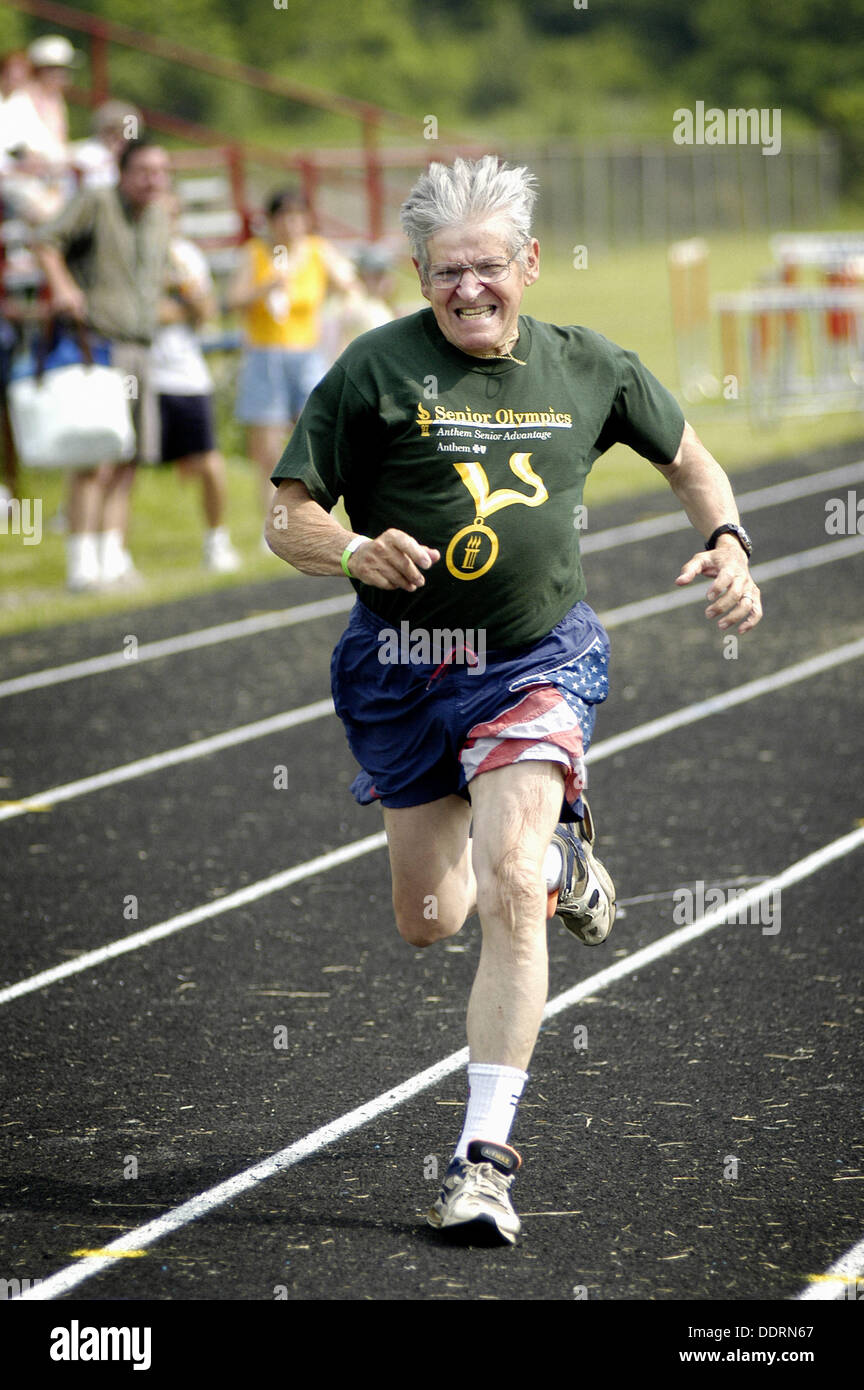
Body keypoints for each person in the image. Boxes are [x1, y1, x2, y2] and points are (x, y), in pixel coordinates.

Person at [264, 156, 763, 1245]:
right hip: (401, 673)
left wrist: (726, 539)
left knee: (503, 878)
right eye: (449, 272)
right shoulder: (373, 370)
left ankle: (482, 1159)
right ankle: (564, 865)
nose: (471, 289)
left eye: (490, 266)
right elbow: (284, 516)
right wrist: (351, 547)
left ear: (529, 264)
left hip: (534, 662)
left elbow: (693, 462)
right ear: (420, 274)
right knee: (427, 920)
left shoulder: (591, 366)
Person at [34, 138, 172, 590]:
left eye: (160, 171)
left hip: (142, 346)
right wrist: (64, 287)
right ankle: (82, 563)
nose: (154, 179)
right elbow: (45, 240)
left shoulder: (159, 215)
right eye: (145, 171)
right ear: (122, 172)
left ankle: (113, 556)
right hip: (99, 345)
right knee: (95, 458)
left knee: (129, 456)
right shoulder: (96, 200)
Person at [226, 188, 356, 523]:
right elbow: (232, 300)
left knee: (317, 437)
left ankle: (321, 517)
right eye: (284, 217)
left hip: (307, 352)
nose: (291, 224)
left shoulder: (317, 251)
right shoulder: (254, 253)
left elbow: (348, 284)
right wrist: (264, 288)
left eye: (298, 216)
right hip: (265, 354)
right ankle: (273, 523)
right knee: (267, 448)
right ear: (270, 221)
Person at [149, 193, 240, 573]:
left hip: (186, 374)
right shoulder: (129, 252)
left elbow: (204, 312)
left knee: (209, 462)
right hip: (142, 374)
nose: (170, 221)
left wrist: (180, 285)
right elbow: (142, 314)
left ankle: (216, 542)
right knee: (116, 469)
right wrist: (172, 310)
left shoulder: (186, 255)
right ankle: (105, 555)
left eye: (174, 213)